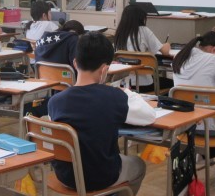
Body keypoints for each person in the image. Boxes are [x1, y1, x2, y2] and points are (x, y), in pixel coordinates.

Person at [48, 32, 155, 194]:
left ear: (75, 63)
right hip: (101, 177)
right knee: (138, 165)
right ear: (105, 69)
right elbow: (149, 116)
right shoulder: (114, 97)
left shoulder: (55, 101)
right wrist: (127, 92)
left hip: (65, 176)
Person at [113, 4, 171, 90]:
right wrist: (167, 44)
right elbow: (165, 52)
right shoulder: (144, 31)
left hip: (123, 84)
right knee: (172, 84)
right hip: (143, 83)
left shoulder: (119, 33)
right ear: (140, 18)